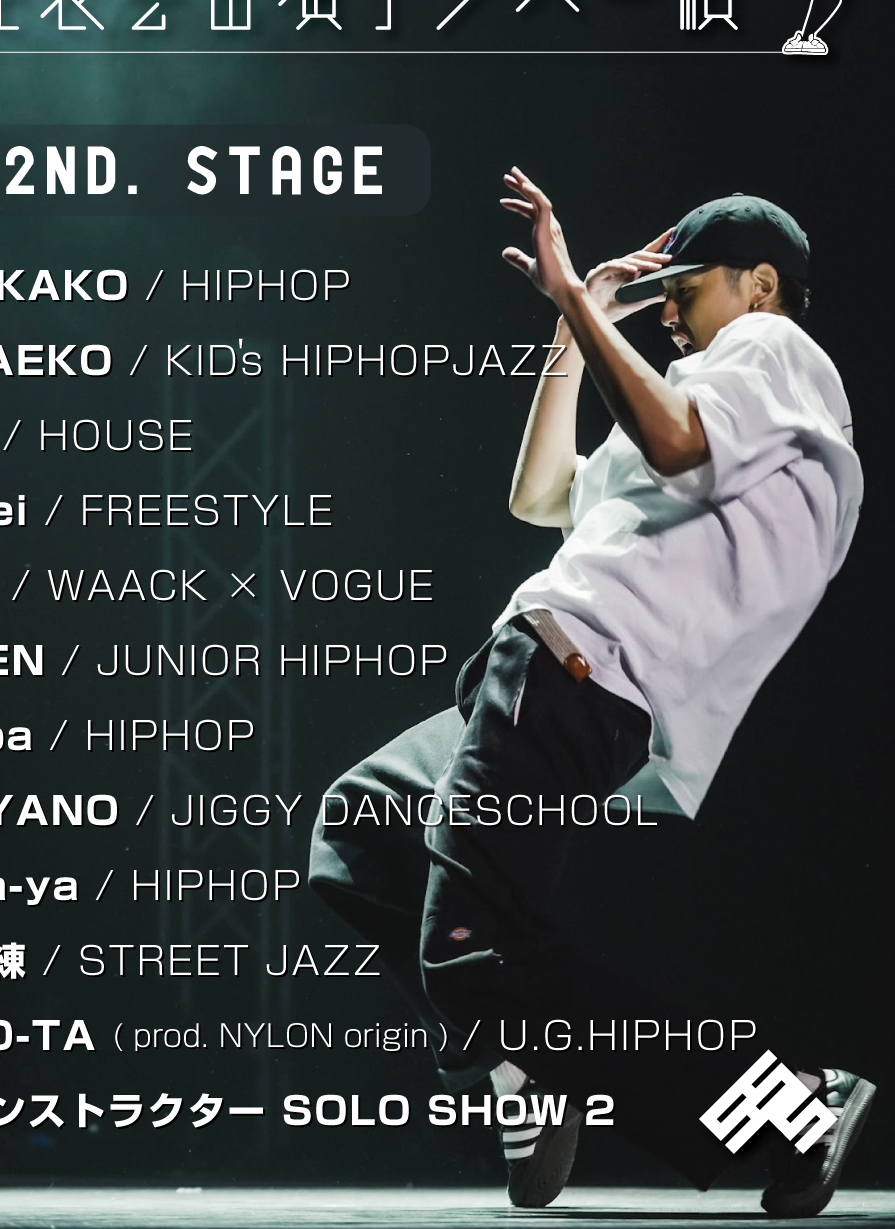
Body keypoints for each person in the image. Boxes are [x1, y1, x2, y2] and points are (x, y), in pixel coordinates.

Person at [309, 172, 872, 1217]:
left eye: (684, 290)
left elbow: (677, 441)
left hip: (578, 671)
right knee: (363, 826)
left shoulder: (771, 352)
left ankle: (789, 1108)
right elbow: (538, 497)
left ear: (759, 285)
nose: (667, 313)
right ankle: (529, 1062)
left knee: (474, 953)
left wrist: (575, 292)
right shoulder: (717, 402)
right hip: (542, 672)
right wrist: (576, 333)